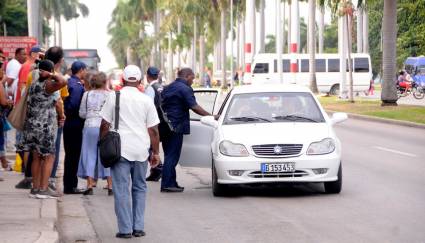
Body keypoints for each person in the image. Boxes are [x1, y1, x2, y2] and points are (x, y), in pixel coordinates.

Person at [100, 65, 160, 238]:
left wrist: (102, 145)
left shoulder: (113, 97)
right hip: (141, 149)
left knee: (121, 189)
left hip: (119, 150)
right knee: (140, 187)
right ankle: (138, 227)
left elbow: (104, 124)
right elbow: (154, 130)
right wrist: (155, 153)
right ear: (140, 81)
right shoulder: (146, 100)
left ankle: (125, 230)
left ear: (123, 80)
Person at [19, 60, 67, 199]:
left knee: (36, 157)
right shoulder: (48, 85)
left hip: (32, 126)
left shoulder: (34, 84)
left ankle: (35, 188)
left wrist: (44, 72)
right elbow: (63, 82)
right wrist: (62, 115)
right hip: (44, 127)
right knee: (48, 157)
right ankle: (43, 189)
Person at [160, 68, 211, 192]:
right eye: (192, 78)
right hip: (176, 126)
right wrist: (210, 116)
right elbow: (194, 107)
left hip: (165, 125)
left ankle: (171, 182)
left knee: (169, 155)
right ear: (187, 76)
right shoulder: (185, 88)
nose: (193, 81)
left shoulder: (168, 87)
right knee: (172, 156)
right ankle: (167, 184)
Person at [14, 46, 45, 190]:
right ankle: (29, 176)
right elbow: (23, 87)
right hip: (29, 111)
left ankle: (29, 176)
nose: (42, 57)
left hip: (29, 110)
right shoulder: (29, 68)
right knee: (29, 147)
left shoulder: (29, 67)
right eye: (40, 54)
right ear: (34, 54)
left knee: (30, 146)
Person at [77, 72, 112, 196]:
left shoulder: (86, 95)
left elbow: (81, 113)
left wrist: (92, 115)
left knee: (89, 154)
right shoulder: (110, 95)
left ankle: (89, 184)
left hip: (90, 126)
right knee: (107, 155)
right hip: (105, 127)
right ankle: (110, 185)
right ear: (104, 82)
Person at [63, 61, 87, 194]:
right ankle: (71, 186)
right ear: (81, 70)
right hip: (75, 124)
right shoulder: (77, 86)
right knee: (73, 156)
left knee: (70, 155)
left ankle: (70, 185)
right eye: (85, 70)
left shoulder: (70, 82)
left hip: (70, 124)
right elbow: (74, 105)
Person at [144, 67, 164, 181]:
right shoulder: (161, 87)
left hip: (152, 120)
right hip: (161, 119)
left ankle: (158, 167)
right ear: (157, 76)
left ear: (147, 76)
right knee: (151, 145)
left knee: (148, 146)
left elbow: (148, 106)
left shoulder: (150, 89)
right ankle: (155, 170)